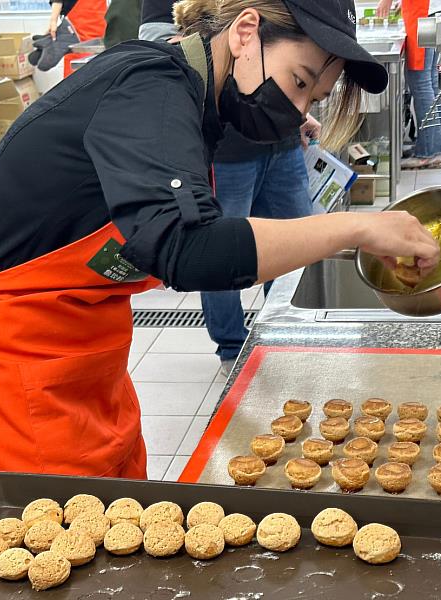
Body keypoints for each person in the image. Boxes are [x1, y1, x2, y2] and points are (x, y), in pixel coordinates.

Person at [0, 0, 440, 496]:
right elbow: (187, 249)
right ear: (246, 32)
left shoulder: (190, 103)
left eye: (309, 99)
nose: (296, 109)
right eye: (297, 82)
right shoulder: (150, 88)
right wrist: (354, 229)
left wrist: (284, 112)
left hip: (79, 366)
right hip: (1, 370)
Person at [133, 0, 322, 374]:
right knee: (220, 250)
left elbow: (279, 47)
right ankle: (232, 348)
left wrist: (292, 102)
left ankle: (284, 337)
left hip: (280, 144)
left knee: (298, 244)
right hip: (227, 149)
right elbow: (156, 36)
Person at [378, 0, 441, 169]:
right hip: (432, 14)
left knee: (421, 83)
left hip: (423, 16)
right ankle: (434, 146)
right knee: (429, 83)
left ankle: (428, 153)